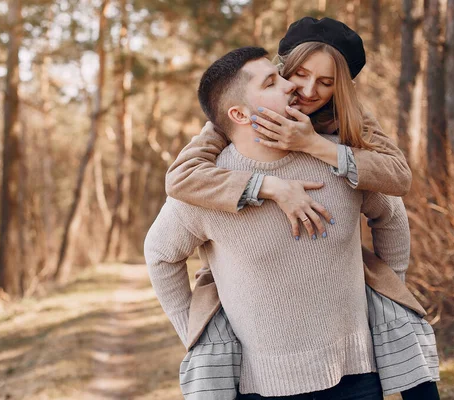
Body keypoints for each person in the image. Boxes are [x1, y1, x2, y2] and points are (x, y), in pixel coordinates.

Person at [166, 17, 440, 400]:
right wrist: (268, 186)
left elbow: (396, 181)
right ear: (283, 68)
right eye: (299, 75)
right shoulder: (234, 120)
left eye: (326, 83)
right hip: (255, 324)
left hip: (344, 342)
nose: (309, 91)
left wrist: (316, 146)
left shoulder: (348, 121)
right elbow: (181, 179)